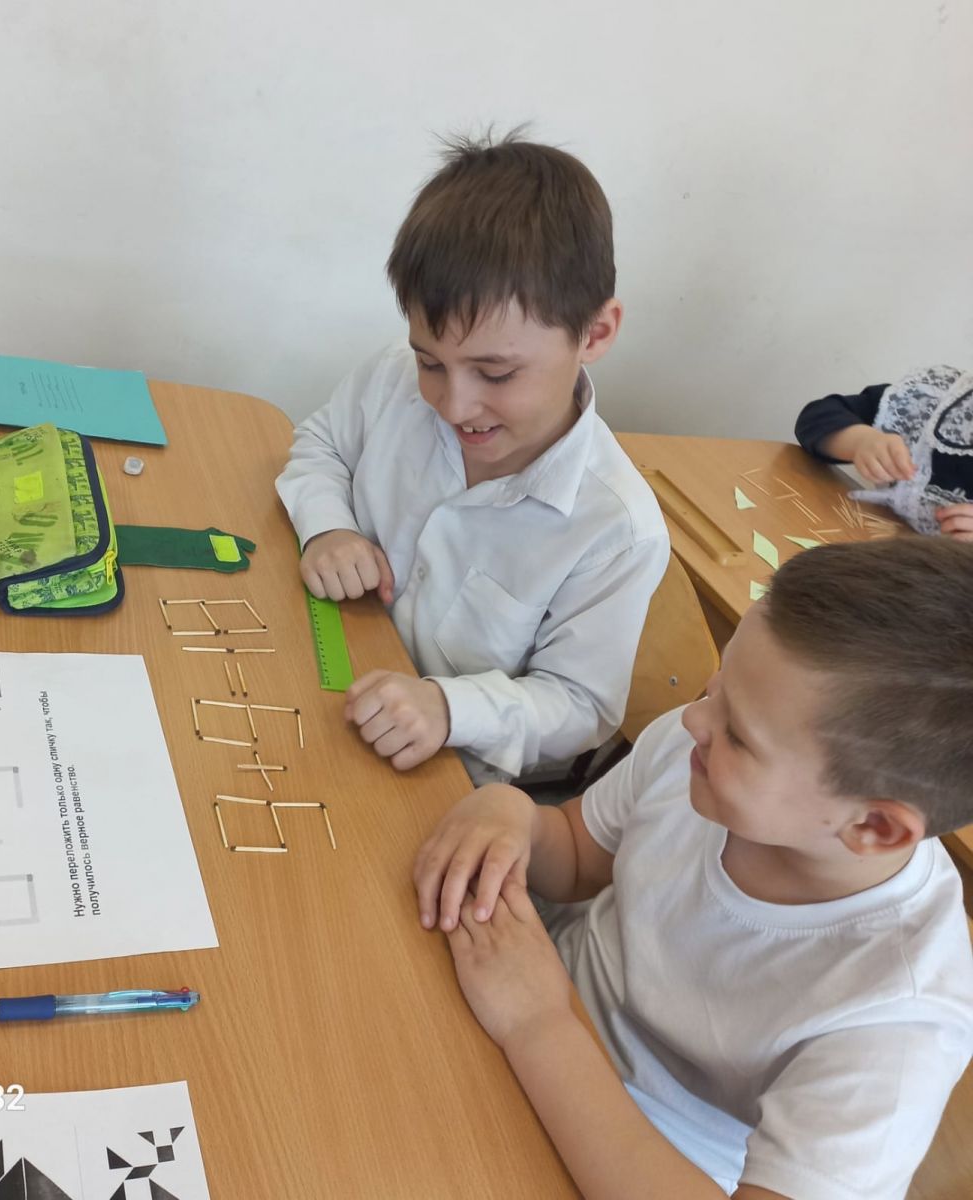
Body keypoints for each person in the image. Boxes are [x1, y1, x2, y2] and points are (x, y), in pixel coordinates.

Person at [413, 537, 973, 1199]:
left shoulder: (898, 1021)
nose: (695, 719)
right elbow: (579, 854)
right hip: (515, 997)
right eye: (718, 683)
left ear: (874, 827)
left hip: (629, 1153)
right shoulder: (703, 756)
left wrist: (539, 1023)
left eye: (738, 733)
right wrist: (515, 817)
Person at [275, 132, 668, 785]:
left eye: (496, 373)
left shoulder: (616, 530)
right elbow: (321, 444)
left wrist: (450, 707)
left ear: (594, 333)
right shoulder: (394, 378)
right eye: (431, 362)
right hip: (325, 669)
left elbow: (580, 705)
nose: (453, 404)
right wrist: (328, 527)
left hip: (437, 770)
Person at [794, 365, 973, 539]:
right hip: (864, 538)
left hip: (933, 559)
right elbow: (816, 417)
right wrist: (861, 441)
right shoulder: (934, 397)